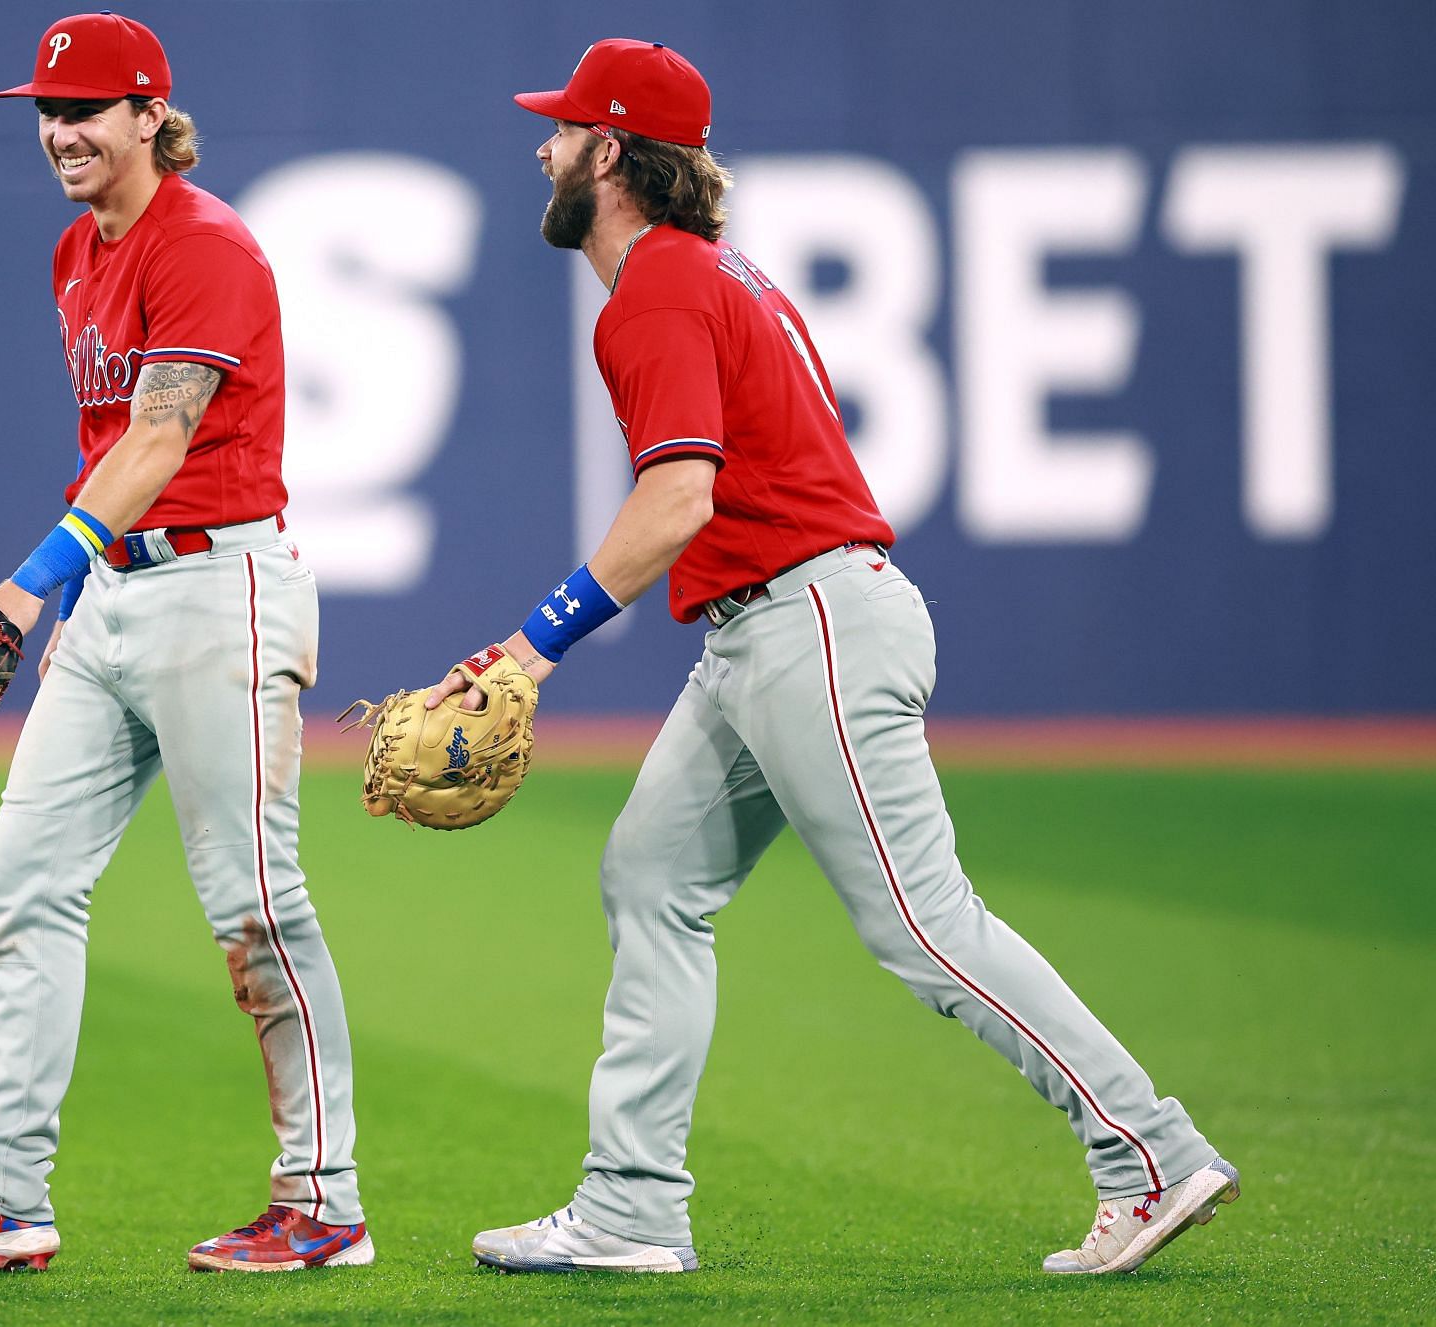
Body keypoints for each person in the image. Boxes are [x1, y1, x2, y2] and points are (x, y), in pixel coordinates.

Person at [442, 38, 1237, 1277]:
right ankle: (632, 1205)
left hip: (808, 620)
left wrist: (531, 647)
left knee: (922, 924)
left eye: (559, 129)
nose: (538, 146)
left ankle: (1147, 1148)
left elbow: (677, 501)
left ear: (608, 151)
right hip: (772, 627)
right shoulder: (711, 273)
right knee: (650, 877)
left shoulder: (658, 287)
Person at [0, 12, 371, 1274]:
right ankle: (3, 1191)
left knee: (254, 905)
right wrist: (68, 589)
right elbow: (112, 453)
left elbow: (159, 442)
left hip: (217, 591)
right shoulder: (78, 247)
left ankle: (324, 1199)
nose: (61, 131)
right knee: (24, 881)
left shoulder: (209, 247)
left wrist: (23, 592)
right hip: (112, 598)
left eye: (86, 108)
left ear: (150, 116)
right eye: (46, 111)